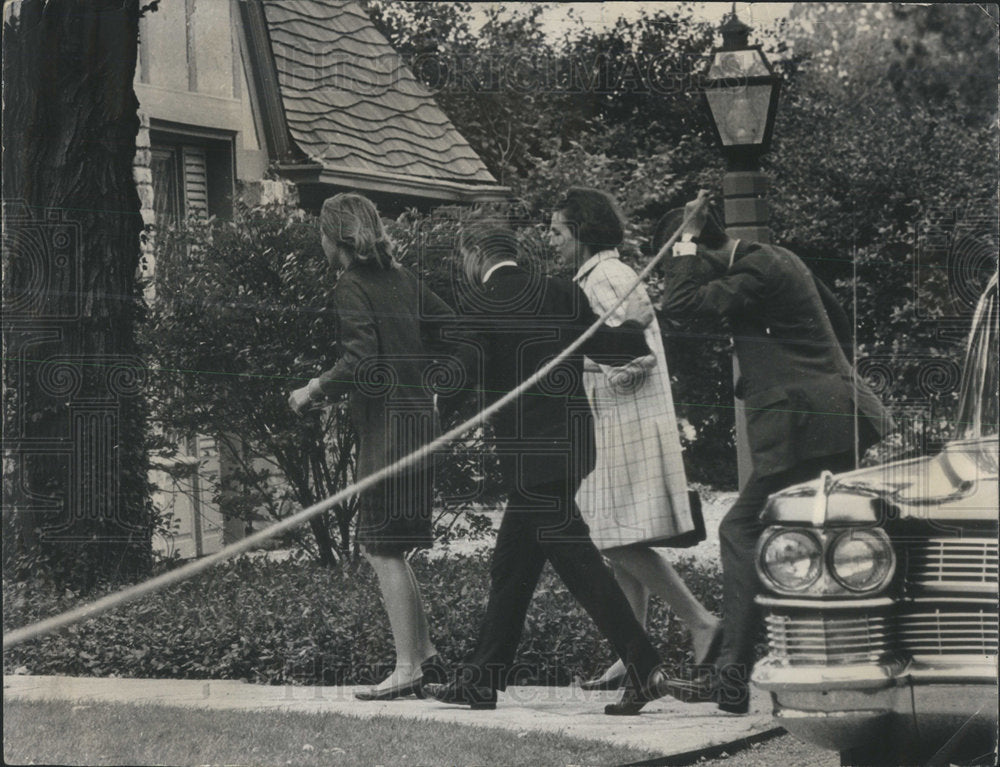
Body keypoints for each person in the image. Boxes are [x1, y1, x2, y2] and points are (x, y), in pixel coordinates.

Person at [424, 224, 675, 715]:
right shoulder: (561, 290)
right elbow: (608, 347)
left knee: (580, 568)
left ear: (475, 253)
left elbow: (464, 369)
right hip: (571, 447)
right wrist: (636, 325)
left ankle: (644, 667)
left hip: (532, 458)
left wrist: (437, 397)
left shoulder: (481, 302)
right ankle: (481, 678)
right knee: (511, 567)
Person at [653, 196, 890, 714]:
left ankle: (732, 678)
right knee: (812, 541)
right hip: (828, 417)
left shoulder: (757, 266)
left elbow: (680, 305)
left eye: (693, 259)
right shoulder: (775, 259)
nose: (691, 272)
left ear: (706, 247)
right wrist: (822, 378)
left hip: (810, 425)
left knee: (741, 530)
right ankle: (756, 674)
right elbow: (838, 317)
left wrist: (685, 241)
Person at [548, 187, 721, 691]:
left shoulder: (606, 276)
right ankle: (634, 653)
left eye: (558, 231)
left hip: (621, 426)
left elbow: (636, 354)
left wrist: (580, 369)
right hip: (615, 423)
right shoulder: (599, 275)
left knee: (612, 537)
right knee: (620, 536)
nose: (551, 240)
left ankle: (700, 622)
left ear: (581, 232)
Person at [288, 193, 452, 701]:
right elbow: (450, 332)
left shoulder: (351, 285)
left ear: (337, 237)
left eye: (321, 234)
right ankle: (426, 658)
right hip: (418, 425)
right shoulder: (404, 280)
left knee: (381, 548)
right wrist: (433, 389)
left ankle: (406, 667)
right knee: (393, 547)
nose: (320, 245)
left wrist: (313, 388)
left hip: (387, 433)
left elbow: (360, 361)